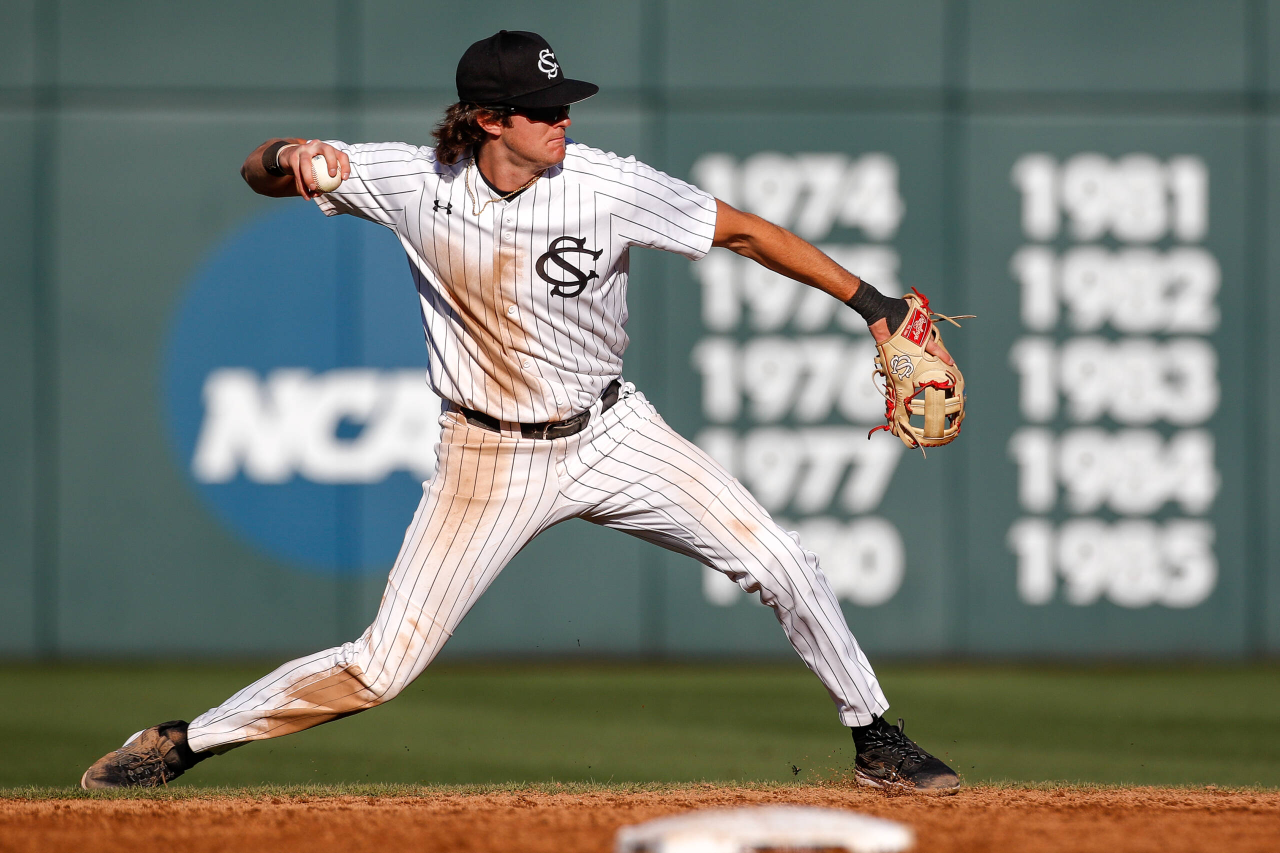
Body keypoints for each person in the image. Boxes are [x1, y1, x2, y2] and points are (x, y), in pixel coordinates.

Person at [82, 30, 959, 794]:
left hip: (611, 430)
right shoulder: (411, 179)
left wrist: (873, 304)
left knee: (783, 558)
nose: (563, 120)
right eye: (542, 108)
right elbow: (258, 167)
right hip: (485, 457)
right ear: (488, 120)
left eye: (564, 102)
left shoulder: (606, 185)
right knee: (380, 667)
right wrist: (292, 157)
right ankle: (183, 742)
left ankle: (875, 738)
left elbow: (745, 232)